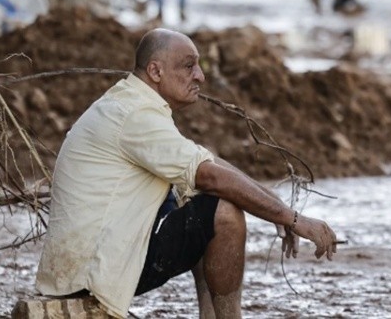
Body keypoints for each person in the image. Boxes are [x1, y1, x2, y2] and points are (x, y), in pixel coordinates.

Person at [36, 29, 339, 319]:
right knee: (223, 211)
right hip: (92, 272)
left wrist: (276, 206)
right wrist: (293, 220)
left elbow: (207, 160)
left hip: (85, 265)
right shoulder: (135, 115)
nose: (200, 76)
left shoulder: (133, 103)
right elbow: (212, 177)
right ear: (155, 72)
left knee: (200, 196)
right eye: (189, 66)